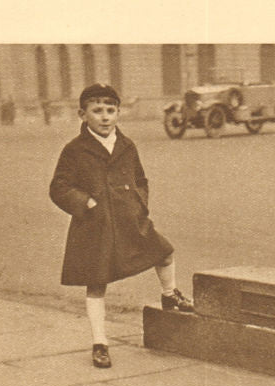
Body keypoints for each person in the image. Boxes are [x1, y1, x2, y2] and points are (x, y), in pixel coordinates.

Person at [49, 83, 193, 369]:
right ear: (83, 114)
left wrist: (139, 204)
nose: (104, 117)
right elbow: (58, 187)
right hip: (95, 225)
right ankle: (100, 343)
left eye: (110, 110)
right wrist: (85, 203)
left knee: (164, 251)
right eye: (97, 110)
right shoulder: (75, 150)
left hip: (129, 220)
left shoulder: (127, 145)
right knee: (97, 283)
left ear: (118, 113)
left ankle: (169, 295)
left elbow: (140, 179)